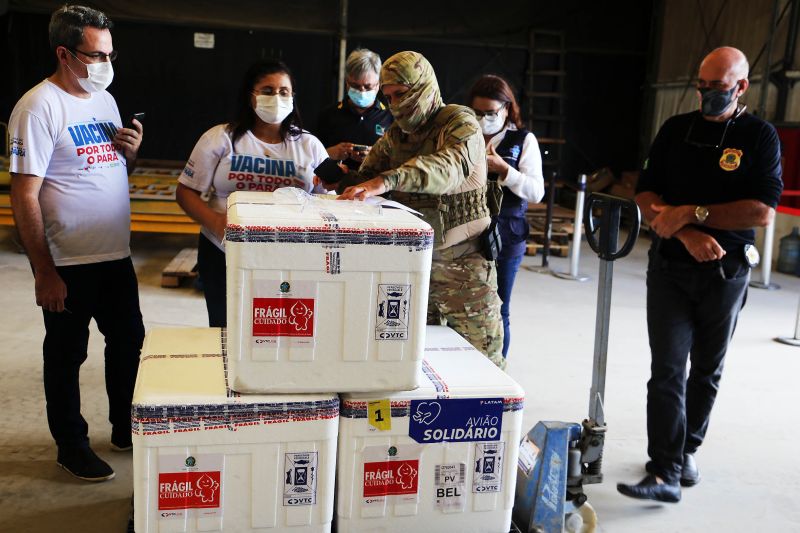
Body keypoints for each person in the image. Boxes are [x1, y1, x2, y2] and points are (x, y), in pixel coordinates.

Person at [617, 46, 782, 503]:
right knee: (667, 369)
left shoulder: (759, 137)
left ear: (741, 87)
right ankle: (664, 468)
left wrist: (692, 211)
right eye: (702, 86)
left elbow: (762, 211)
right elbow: (646, 194)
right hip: (671, 267)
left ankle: (687, 449)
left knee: (706, 370)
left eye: (719, 87)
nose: (708, 93)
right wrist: (686, 231)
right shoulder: (675, 131)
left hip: (725, 273)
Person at [8, 4, 145, 482]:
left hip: (115, 255)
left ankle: (126, 428)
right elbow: (23, 192)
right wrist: (44, 270)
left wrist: (130, 154)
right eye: (95, 55)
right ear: (64, 53)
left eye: (109, 54)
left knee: (129, 344)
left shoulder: (103, 100)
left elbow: (106, 172)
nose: (105, 64)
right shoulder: (37, 107)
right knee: (66, 356)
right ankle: (71, 444)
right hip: (67, 261)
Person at [338, 51, 505, 368]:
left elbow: (446, 169)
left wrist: (387, 180)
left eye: (401, 94)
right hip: (411, 270)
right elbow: (366, 177)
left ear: (422, 85)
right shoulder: (396, 135)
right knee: (414, 365)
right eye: (388, 97)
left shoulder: (460, 123)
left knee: (482, 367)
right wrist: (341, 180)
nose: (395, 104)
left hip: (463, 272)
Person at [177, 60, 328, 327]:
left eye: (284, 91)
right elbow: (185, 191)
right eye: (267, 90)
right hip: (222, 250)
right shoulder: (220, 138)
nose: (277, 97)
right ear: (251, 96)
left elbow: (325, 199)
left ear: (293, 97)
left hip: (288, 252)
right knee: (226, 328)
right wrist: (216, 222)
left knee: (278, 329)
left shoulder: (309, 145)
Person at [468, 74, 544, 360]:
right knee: (462, 303)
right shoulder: (465, 136)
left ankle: (497, 369)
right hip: (466, 230)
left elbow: (536, 191)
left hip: (507, 233)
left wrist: (505, 170)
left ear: (507, 109)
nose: (484, 119)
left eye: (490, 113)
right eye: (477, 113)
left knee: (500, 305)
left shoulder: (522, 140)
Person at [316, 48, 393, 171]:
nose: (362, 91)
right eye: (355, 86)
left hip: (375, 187)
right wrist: (329, 153)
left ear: (379, 84)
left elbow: (401, 164)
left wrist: (375, 158)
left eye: (368, 87)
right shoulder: (328, 116)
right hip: (335, 188)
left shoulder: (390, 118)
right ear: (347, 83)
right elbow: (308, 160)